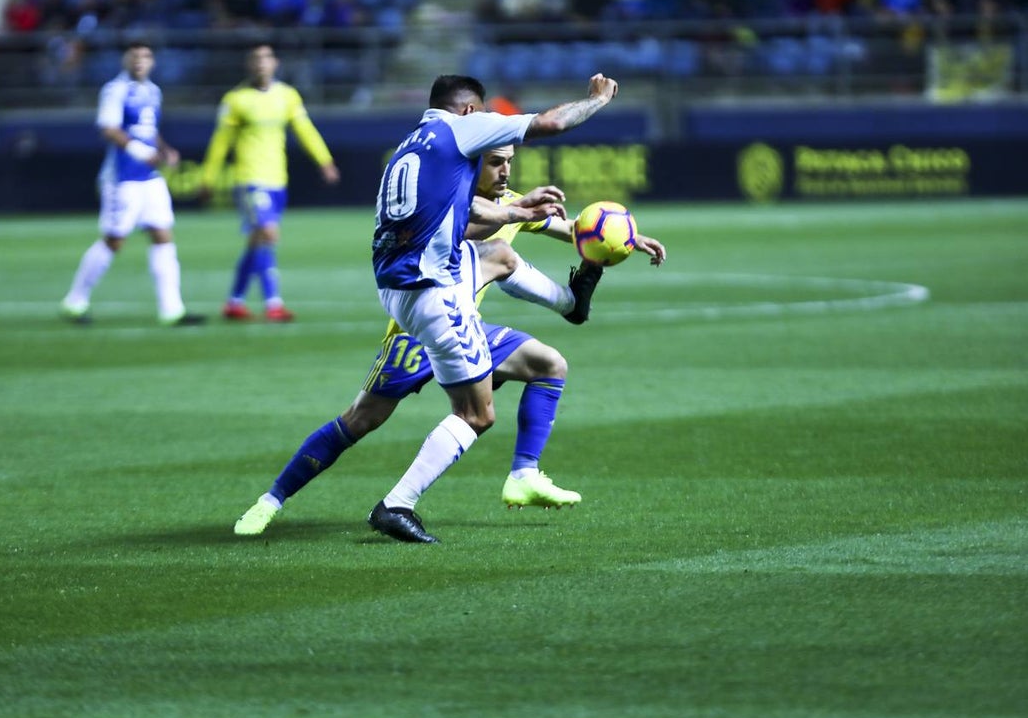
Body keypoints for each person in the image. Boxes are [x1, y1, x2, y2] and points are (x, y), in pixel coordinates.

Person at [233, 144, 665, 540]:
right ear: (473, 162)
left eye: (509, 162)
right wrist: (511, 216)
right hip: (418, 333)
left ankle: (523, 475)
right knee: (359, 420)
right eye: (496, 162)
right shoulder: (446, 204)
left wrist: (624, 239)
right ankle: (270, 501)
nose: (504, 170)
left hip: (467, 328)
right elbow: (481, 236)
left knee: (548, 364)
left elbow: (571, 228)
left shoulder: (512, 204)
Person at [368, 72, 622, 543]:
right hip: (432, 289)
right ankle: (396, 504)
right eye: (484, 113)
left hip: (398, 284)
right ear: (468, 110)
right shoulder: (461, 129)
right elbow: (548, 123)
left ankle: (569, 305)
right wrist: (597, 101)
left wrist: (519, 213)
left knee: (535, 339)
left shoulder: (413, 144)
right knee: (476, 415)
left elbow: (469, 211)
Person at [60, 41, 204, 326]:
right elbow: (109, 129)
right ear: (125, 59)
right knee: (115, 240)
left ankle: (171, 309)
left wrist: (164, 150)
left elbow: (149, 131)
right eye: (135, 55)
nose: (140, 61)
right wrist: (141, 152)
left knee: (162, 234)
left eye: (146, 56)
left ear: (153, 61)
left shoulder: (153, 91)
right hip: (122, 178)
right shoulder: (115, 90)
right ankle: (74, 300)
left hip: (150, 178)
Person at [200, 43, 340, 323]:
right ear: (248, 65)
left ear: (275, 63)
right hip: (249, 179)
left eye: (266, 58)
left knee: (256, 242)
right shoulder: (236, 99)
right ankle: (273, 303)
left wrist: (324, 161)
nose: (261, 64)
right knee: (268, 234)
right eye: (255, 59)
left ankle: (234, 301)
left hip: (277, 180)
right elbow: (220, 141)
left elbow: (305, 130)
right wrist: (208, 177)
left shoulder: (287, 96)